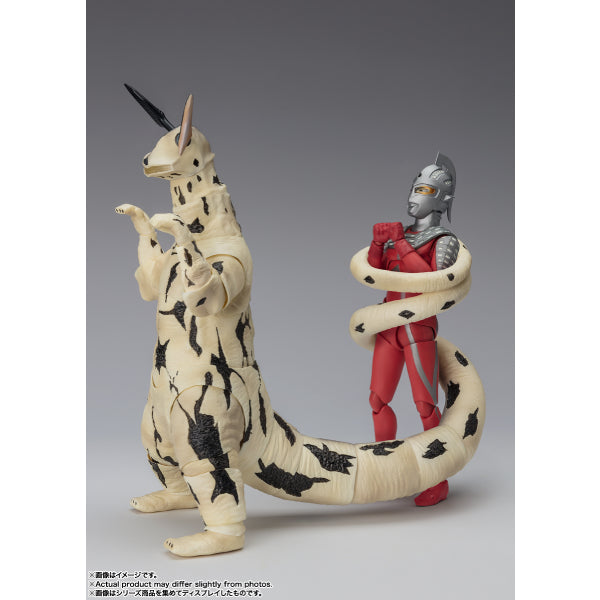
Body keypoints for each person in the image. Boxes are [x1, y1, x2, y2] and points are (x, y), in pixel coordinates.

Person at [366, 153, 460, 506]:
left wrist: (399, 243)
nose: (414, 196)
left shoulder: (445, 240)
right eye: (414, 187)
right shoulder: (399, 235)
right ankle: (385, 470)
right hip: (388, 324)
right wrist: (379, 243)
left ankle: (438, 478)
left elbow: (430, 279)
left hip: (418, 327)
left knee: (425, 404)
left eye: (424, 190)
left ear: (442, 199)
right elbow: (376, 272)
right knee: (378, 400)